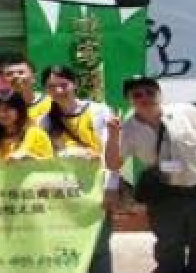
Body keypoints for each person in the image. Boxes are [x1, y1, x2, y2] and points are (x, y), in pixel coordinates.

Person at [106, 76, 196, 273]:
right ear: (129, 100)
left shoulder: (188, 112)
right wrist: (113, 136)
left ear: (160, 94)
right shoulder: (127, 129)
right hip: (165, 194)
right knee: (169, 247)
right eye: (137, 95)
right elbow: (113, 164)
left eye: (150, 92)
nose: (145, 98)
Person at [39, 65, 117, 273]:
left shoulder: (98, 111)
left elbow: (111, 151)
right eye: (51, 86)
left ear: (75, 84)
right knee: (70, 243)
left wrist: (111, 187)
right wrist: (70, 154)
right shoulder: (44, 121)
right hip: (65, 192)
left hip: (96, 189)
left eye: (63, 85)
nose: (58, 91)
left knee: (99, 244)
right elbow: (45, 157)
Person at [0, 89, 53, 162]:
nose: (1, 114)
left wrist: (30, 158)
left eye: (6, 109)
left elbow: (50, 163)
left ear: (19, 110)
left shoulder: (34, 133)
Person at [0, 55, 51, 123]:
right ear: (2, 81)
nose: (15, 76)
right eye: (9, 74)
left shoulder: (51, 103)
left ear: (33, 77)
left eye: (21, 72)